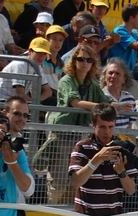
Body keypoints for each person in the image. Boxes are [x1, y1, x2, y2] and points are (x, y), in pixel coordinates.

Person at [36, 44, 108, 203]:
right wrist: (102, 107)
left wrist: (117, 106)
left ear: (93, 64)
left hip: (81, 137)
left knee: (76, 182)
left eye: (89, 60)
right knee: (59, 180)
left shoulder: (93, 85)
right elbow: (75, 102)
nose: (85, 63)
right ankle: (52, 214)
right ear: (73, 61)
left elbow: (106, 101)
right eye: (80, 59)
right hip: (62, 134)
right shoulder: (66, 80)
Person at [68, 103, 137, 216]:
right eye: (102, 127)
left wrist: (122, 172)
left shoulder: (122, 148)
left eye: (111, 127)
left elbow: (131, 190)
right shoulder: (82, 147)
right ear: (93, 126)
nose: (107, 132)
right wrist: (96, 159)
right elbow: (75, 182)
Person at [0, 37, 51, 103]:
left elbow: (48, 91)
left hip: (15, 103)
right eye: (39, 53)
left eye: (44, 54)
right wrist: (34, 104)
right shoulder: (19, 64)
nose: (42, 57)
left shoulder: (37, 66)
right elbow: (20, 94)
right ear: (30, 51)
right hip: (1, 102)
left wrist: (37, 101)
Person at [100, 59, 136, 129]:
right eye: (110, 73)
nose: (113, 76)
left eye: (117, 74)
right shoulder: (99, 94)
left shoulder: (130, 98)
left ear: (124, 79)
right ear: (104, 76)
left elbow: (131, 124)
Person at [42, 24, 67, 105]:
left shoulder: (62, 64)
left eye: (61, 40)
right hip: (42, 97)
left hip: (56, 98)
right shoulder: (41, 59)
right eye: (54, 39)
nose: (58, 43)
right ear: (47, 39)